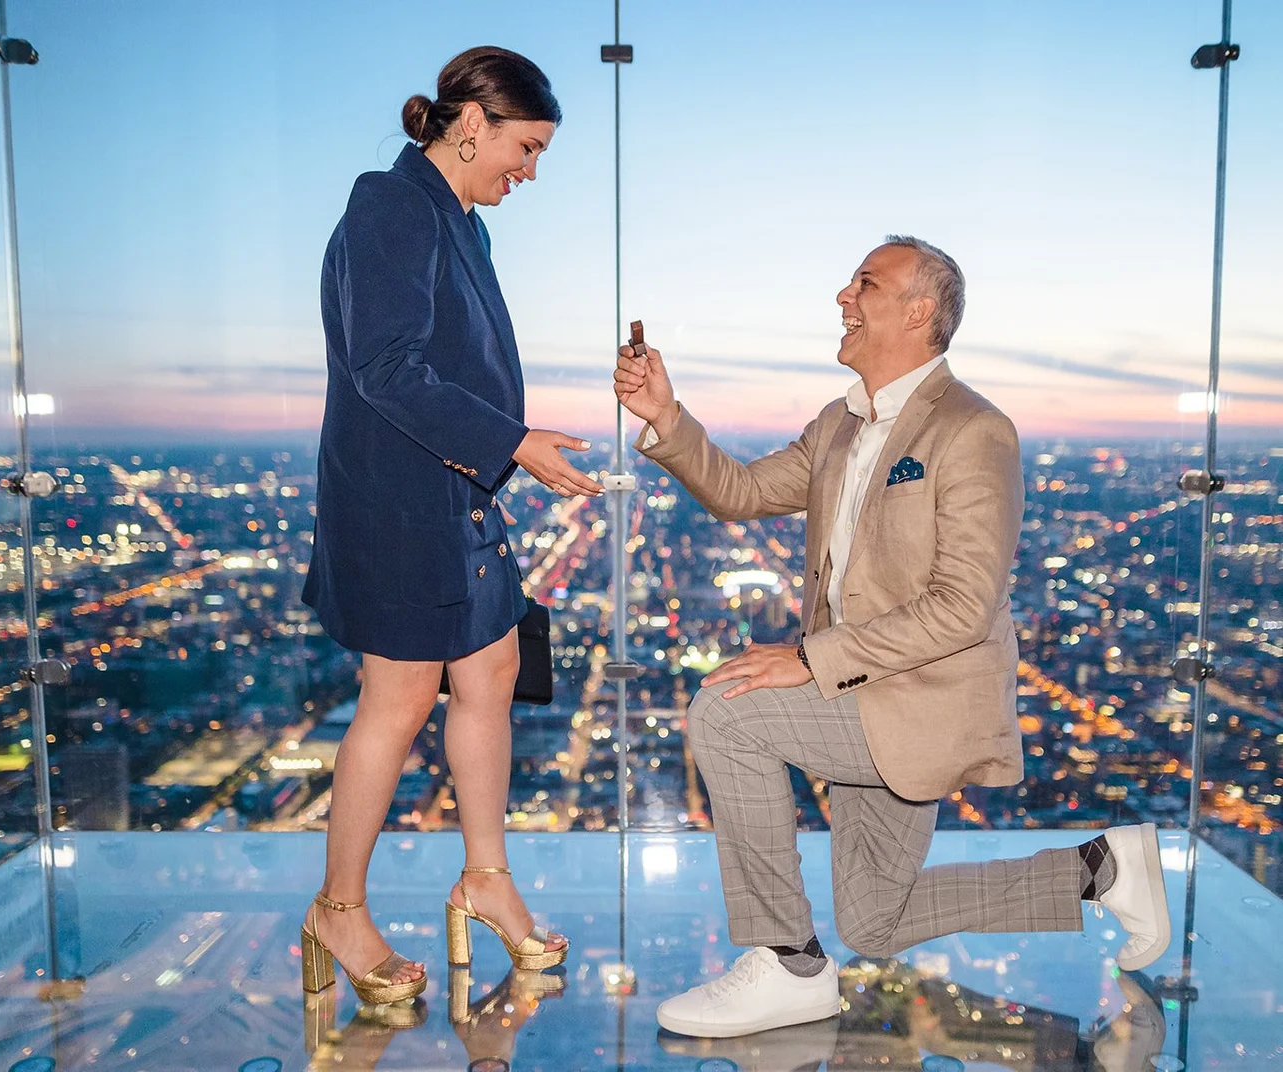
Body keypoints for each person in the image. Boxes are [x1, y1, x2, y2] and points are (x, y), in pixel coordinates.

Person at [613, 236, 1171, 1038]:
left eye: (865, 283)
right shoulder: (840, 426)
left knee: (727, 710)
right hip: (863, 693)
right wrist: (666, 416)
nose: (844, 295)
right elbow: (739, 492)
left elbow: (963, 607)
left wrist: (808, 659)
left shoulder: (974, 430)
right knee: (874, 922)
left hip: (921, 700)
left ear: (919, 312)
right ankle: (1102, 869)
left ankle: (789, 962)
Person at [298, 46, 593, 1006]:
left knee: (494, 671)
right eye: (527, 146)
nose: (532, 170)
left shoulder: (458, 218)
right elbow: (385, 367)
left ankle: (485, 878)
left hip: (457, 491)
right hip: (399, 504)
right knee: (399, 697)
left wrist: (505, 452)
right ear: (472, 121)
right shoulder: (390, 204)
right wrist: (513, 442)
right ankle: (338, 908)